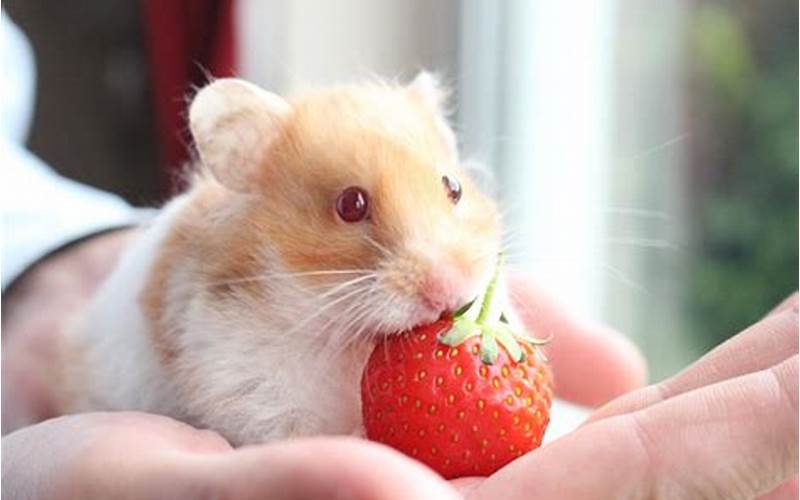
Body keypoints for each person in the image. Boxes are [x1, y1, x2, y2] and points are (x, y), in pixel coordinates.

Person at [2, 12, 797, 500]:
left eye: (449, 193)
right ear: (245, 166)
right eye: (353, 208)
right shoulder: (232, 289)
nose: (442, 277)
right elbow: (269, 416)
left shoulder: (444, 252)